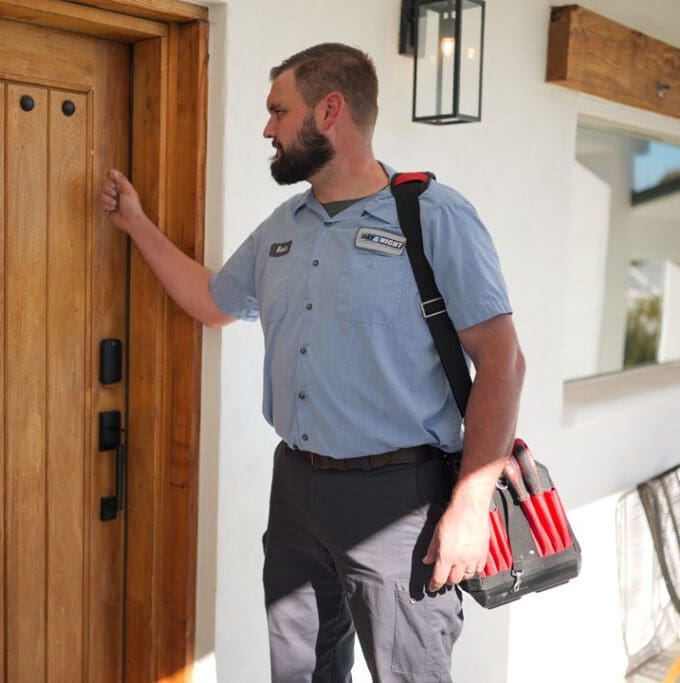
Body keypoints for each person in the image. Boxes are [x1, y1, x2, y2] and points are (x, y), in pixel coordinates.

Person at [98, 43, 525, 683]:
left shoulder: (433, 216)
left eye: (279, 111)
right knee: (299, 673)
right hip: (295, 490)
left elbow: (503, 362)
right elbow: (214, 302)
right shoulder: (284, 225)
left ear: (330, 111)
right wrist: (136, 225)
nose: (267, 129)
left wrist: (469, 504)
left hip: (400, 501)